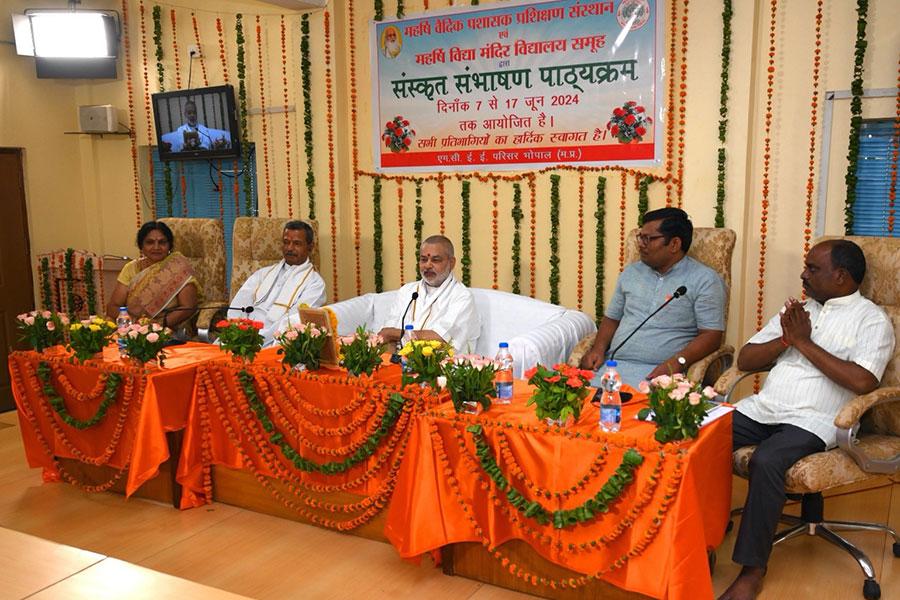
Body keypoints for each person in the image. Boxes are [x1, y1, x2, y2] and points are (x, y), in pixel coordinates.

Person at [720, 239, 894, 600]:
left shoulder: (871, 320)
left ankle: (752, 570)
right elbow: (749, 359)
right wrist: (785, 339)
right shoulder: (798, 311)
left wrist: (803, 343)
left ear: (842, 276)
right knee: (702, 433)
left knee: (767, 460)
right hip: (764, 408)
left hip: (817, 420)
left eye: (813, 268)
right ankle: (694, 535)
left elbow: (863, 381)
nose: (803, 274)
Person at [579, 207, 726, 387]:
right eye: (641, 237)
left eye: (649, 239)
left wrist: (676, 363)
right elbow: (612, 318)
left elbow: (711, 335)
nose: (641, 244)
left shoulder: (704, 279)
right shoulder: (631, 272)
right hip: (611, 367)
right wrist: (598, 349)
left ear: (674, 244)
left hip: (658, 374)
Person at [229, 220, 326, 346]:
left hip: (273, 342)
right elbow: (237, 305)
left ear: (310, 247)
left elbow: (292, 322)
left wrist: (256, 339)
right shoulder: (262, 274)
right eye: (286, 242)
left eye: (297, 243)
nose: (290, 248)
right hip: (241, 335)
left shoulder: (315, 284)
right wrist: (237, 332)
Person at [378, 235, 480, 354]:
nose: (428, 265)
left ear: (451, 263)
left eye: (436, 260)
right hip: (402, 366)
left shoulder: (462, 296)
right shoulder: (407, 291)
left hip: (444, 368)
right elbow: (385, 337)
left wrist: (393, 333)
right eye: (423, 259)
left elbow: (441, 338)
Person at [105, 221, 199, 335]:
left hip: (167, 328)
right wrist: (137, 325)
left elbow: (188, 307)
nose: (156, 247)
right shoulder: (131, 268)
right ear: (141, 246)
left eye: (162, 242)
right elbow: (113, 306)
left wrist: (156, 326)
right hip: (132, 329)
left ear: (169, 245)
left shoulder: (179, 267)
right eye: (150, 242)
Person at [160, 99, 231, 153]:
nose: (192, 115)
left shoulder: (203, 129)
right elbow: (181, 147)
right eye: (189, 113)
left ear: (196, 113)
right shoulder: (181, 130)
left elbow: (205, 147)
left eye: (194, 112)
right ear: (185, 114)